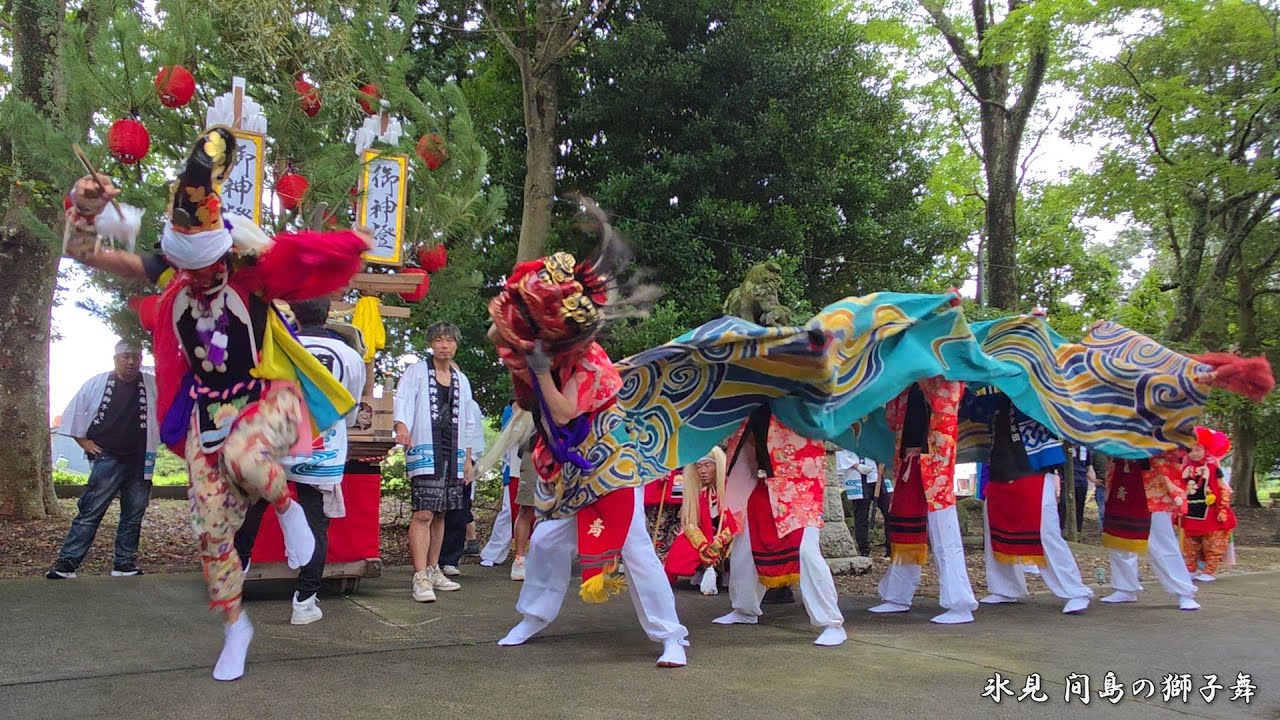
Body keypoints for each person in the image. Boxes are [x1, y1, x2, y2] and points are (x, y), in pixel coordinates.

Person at [62, 127, 370, 681]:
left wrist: (349, 242)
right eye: (191, 271)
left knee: (245, 457)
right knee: (210, 532)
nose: (201, 279)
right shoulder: (173, 275)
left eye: (209, 268)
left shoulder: (251, 276)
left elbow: (305, 263)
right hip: (206, 417)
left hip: (270, 404)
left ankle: (290, 510)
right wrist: (84, 208)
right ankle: (234, 626)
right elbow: (82, 254)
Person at [487, 248, 689, 668]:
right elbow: (495, 333)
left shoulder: (593, 363)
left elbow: (562, 411)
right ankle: (533, 617)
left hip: (611, 463)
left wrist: (540, 371)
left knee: (634, 549)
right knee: (545, 540)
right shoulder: (542, 348)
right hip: (568, 468)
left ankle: (671, 636)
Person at [233, 298, 366, 625]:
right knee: (316, 523)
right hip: (323, 445)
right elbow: (349, 406)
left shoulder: (277, 344)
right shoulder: (349, 355)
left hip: (275, 440)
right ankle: (304, 602)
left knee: (252, 511)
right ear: (328, 316)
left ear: (295, 315)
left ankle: (233, 583)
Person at [713, 408, 846, 646]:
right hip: (762, 483)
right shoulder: (751, 405)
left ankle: (831, 622)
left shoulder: (803, 400)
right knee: (745, 544)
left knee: (806, 551)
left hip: (801, 485)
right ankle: (745, 609)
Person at [870, 380, 979, 625]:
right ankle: (897, 596)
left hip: (935, 466)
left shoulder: (947, 382)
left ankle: (960, 604)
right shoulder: (907, 387)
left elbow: (943, 411)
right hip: (909, 463)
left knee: (944, 535)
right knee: (904, 531)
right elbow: (890, 419)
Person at [47, 340, 158, 579]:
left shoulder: (151, 383)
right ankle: (67, 563)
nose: (131, 362)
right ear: (116, 358)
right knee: (90, 511)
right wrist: (84, 441)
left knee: (133, 515)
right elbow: (74, 413)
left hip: (140, 459)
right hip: (108, 458)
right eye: (125, 356)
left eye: (136, 357)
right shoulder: (98, 383)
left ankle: (124, 563)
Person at [975, 394, 1093, 615]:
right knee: (994, 531)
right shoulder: (996, 401)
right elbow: (971, 408)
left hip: (1034, 471)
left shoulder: (1037, 394)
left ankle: (1075, 591)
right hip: (1000, 471)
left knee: (1046, 533)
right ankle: (1006, 588)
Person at [393, 322, 477, 601]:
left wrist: (467, 457)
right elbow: (403, 400)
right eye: (439, 340)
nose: (444, 345)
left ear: (456, 344)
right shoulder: (417, 372)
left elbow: (468, 419)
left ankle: (433, 568)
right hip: (426, 448)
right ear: (431, 343)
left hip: (452, 452)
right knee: (424, 513)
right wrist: (402, 426)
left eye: (450, 340)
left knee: (442, 513)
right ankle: (419, 576)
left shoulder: (461, 379)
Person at [1100, 453, 1200, 610]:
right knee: (1119, 535)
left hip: (1153, 483)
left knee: (1161, 540)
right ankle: (1125, 587)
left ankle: (1183, 591)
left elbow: (1177, 446)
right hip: (1121, 477)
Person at [662, 448, 731, 591]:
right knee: (681, 547)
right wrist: (703, 546)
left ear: (717, 466)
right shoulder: (699, 494)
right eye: (699, 467)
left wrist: (721, 541)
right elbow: (689, 524)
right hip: (705, 539)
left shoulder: (731, 489)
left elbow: (738, 522)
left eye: (707, 465)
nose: (703, 471)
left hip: (729, 538)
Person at [1179, 427, 1236, 582]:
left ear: (1205, 450)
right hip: (1190, 510)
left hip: (1210, 510)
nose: (1194, 453)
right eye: (1191, 450)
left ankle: (1209, 570)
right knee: (1190, 543)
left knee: (1212, 542)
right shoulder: (1184, 468)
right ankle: (1190, 568)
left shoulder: (1213, 468)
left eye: (1198, 450)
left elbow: (1223, 489)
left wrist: (1222, 508)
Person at [440, 396, 485, 574]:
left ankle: (450, 559)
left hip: (463, 462)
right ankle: (431, 559)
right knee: (434, 510)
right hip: (437, 457)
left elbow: (475, 436)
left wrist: (471, 461)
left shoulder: (469, 404)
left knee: (459, 511)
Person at [480, 401, 521, 568]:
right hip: (514, 466)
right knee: (508, 510)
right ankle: (493, 553)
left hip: (537, 466)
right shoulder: (509, 410)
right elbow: (507, 438)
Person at [836, 448, 892, 558]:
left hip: (878, 475)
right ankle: (864, 549)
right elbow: (841, 454)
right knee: (861, 515)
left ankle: (890, 547)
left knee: (889, 511)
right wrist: (857, 465)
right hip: (857, 475)